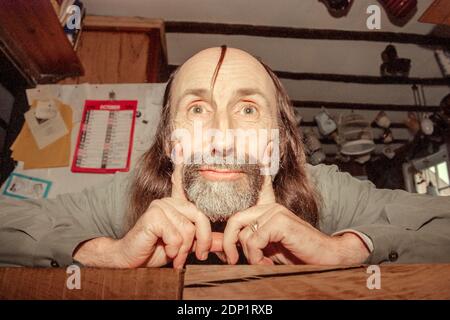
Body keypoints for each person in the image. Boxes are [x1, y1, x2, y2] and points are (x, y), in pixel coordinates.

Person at [1, 46, 449, 269]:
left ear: (281, 140)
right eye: (197, 109)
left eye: (248, 109)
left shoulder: (323, 190)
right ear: (169, 141)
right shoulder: (130, 198)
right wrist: (105, 253)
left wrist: (346, 248)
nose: (221, 134)